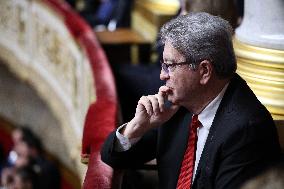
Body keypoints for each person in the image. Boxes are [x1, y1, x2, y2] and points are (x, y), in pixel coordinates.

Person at [101, 12, 281, 189]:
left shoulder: (246, 131)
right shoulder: (179, 104)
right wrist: (136, 128)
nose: (162, 75)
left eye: (170, 65)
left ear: (204, 71)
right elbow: (112, 157)